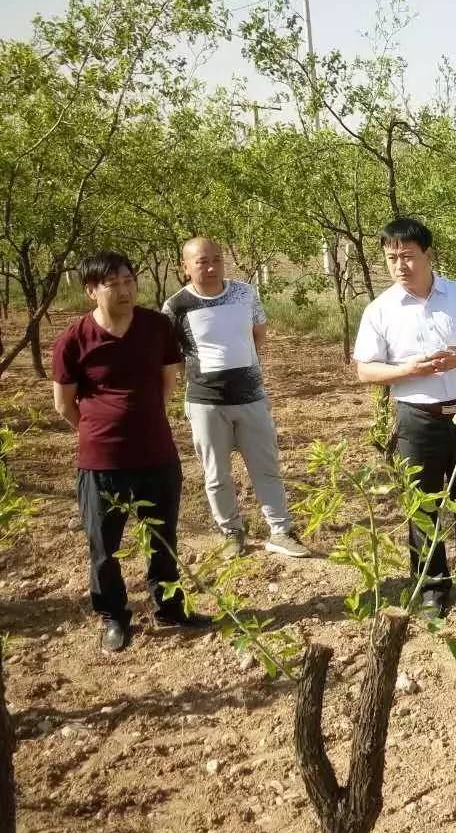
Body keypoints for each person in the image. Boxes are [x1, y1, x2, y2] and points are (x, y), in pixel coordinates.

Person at [51, 253, 211, 652]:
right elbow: (63, 404)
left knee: (163, 537)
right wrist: (99, 430)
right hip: (101, 462)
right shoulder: (73, 338)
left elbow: (166, 382)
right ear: (91, 291)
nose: (124, 290)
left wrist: (142, 421)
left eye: (128, 281)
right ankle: (113, 617)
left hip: (157, 453)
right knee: (104, 546)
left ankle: (170, 607)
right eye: (112, 284)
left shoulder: (157, 326)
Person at [353, 218, 456, 616]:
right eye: (391, 258)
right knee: (422, 504)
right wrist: (408, 371)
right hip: (416, 419)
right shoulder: (380, 310)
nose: (400, 265)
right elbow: (366, 370)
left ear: (428, 254)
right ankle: (433, 586)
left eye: (408, 256)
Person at [162, 237, 310, 558]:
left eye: (218, 258)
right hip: (205, 403)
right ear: (184, 267)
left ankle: (281, 531)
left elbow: (258, 334)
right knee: (216, 473)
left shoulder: (245, 293)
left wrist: (245, 373)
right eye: (202, 261)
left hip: (251, 397)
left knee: (266, 466)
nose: (212, 266)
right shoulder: (175, 307)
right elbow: (173, 357)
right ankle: (231, 531)